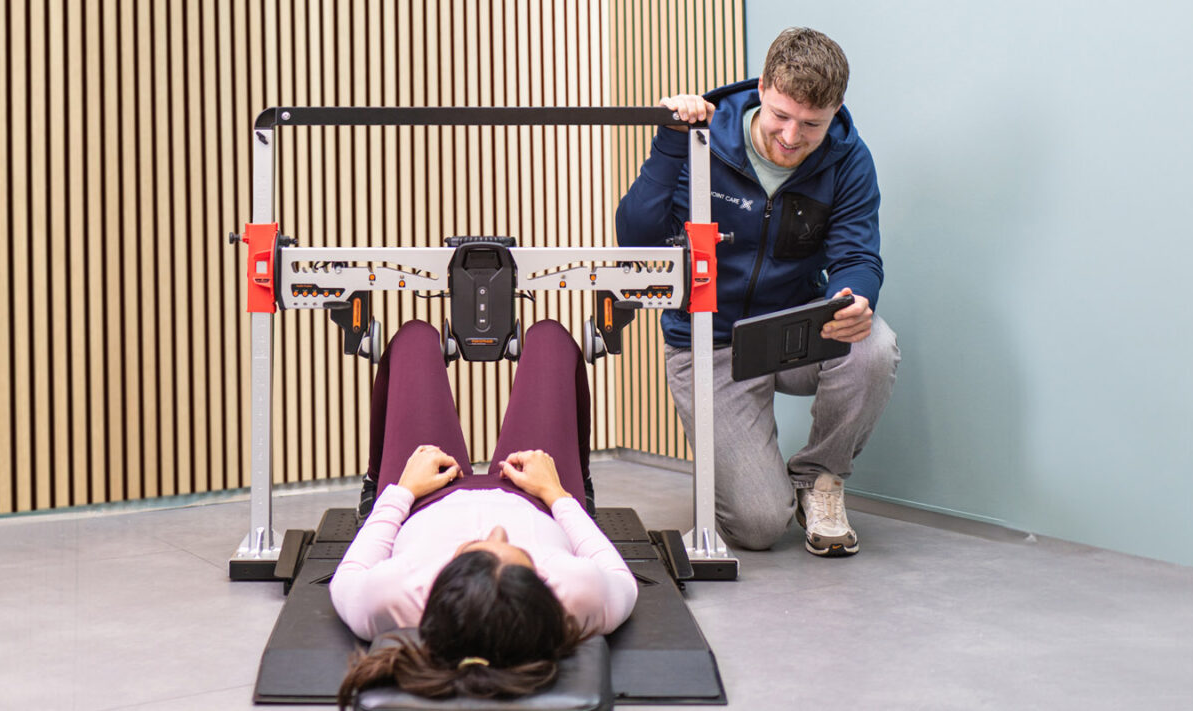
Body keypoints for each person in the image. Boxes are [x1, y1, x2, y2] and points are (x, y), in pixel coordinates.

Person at [615, 27, 899, 557]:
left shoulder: (848, 159)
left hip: (790, 329)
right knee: (760, 526)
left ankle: (820, 479)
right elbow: (636, 240)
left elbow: (857, 256)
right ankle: (771, 493)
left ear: (836, 109)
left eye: (812, 124)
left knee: (873, 346)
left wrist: (856, 295)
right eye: (781, 117)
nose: (792, 137)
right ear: (764, 87)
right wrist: (669, 141)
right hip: (709, 341)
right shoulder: (704, 136)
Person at [330, 319, 638, 708]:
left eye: (474, 549)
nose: (496, 531)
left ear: (440, 583)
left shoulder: (391, 597)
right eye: (519, 554)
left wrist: (400, 492)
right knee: (550, 337)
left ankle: (373, 482)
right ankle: (578, 483)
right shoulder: (576, 595)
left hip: (427, 493)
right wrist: (559, 495)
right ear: (541, 591)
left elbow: (349, 574)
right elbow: (621, 579)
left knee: (414, 337)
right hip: (535, 493)